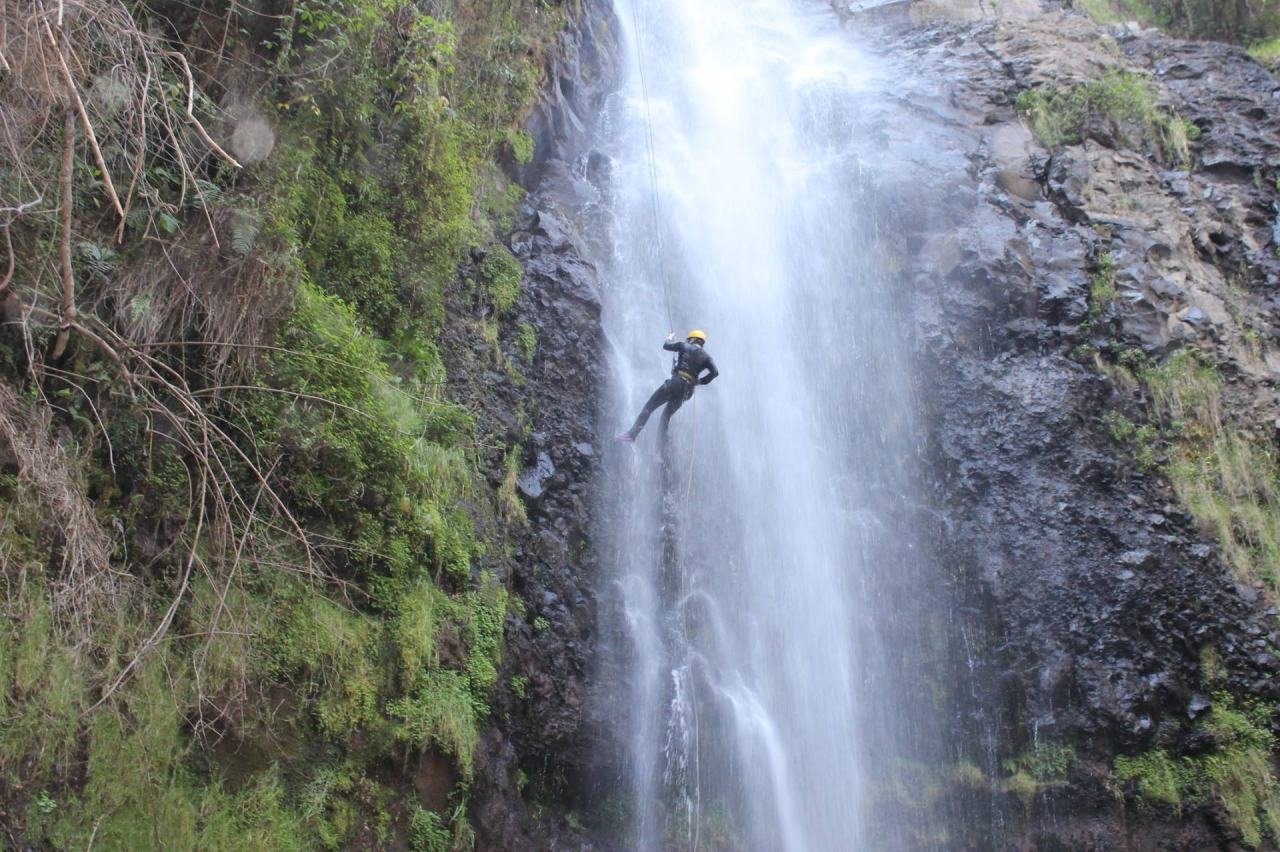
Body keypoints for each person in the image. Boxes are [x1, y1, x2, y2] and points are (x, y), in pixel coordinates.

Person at [618, 329, 719, 442]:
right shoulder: (707, 357)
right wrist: (699, 381)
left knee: (649, 407)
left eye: (688, 339)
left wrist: (670, 337)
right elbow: (715, 373)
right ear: (702, 342)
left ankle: (631, 435)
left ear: (692, 339)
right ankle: (659, 454)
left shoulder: (683, 345)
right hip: (688, 390)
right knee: (665, 417)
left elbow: (666, 346)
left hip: (675, 383)